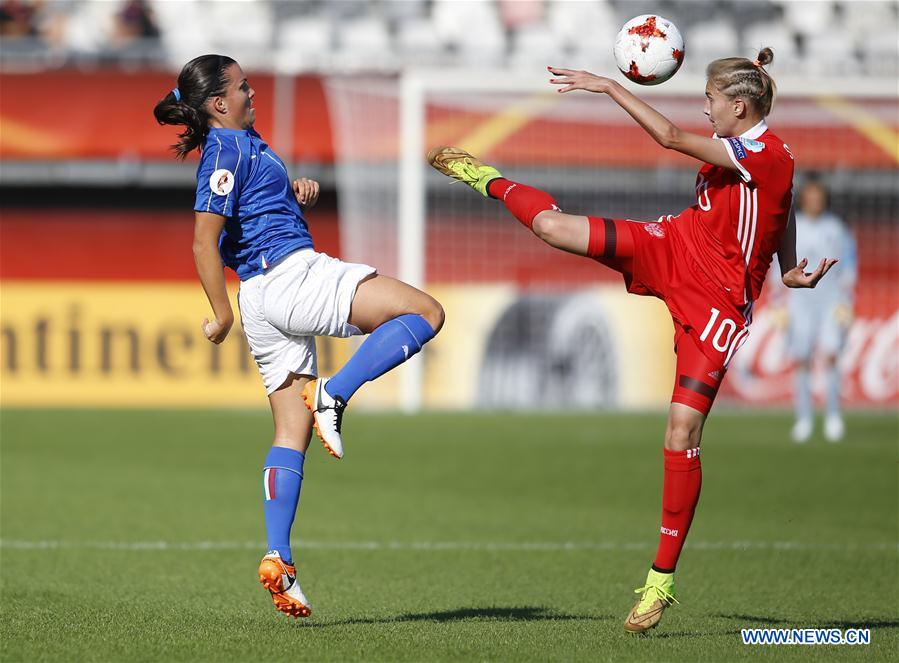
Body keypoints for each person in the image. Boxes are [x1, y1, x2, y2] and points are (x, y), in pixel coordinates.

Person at [428, 48, 836, 633]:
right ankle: (484, 177)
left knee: (681, 432)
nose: (706, 109)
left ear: (740, 108)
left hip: (719, 304)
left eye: (711, 101)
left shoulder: (768, 154)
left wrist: (607, 86)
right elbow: (781, 203)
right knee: (552, 227)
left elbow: (673, 139)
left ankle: (659, 583)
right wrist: (789, 263)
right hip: (675, 245)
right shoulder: (746, 147)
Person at [153, 55, 444, 618]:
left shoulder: (242, 142)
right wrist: (219, 315)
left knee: (291, 431)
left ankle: (279, 560)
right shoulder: (226, 151)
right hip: (289, 275)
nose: (252, 92)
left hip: (264, 298)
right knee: (424, 312)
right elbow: (203, 241)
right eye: (242, 87)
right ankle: (336, 393)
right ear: (219, 103)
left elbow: (251, 205)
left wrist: (292, 190)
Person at [787, 176, 857, 443]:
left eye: (819, 197)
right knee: (802, 358)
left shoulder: (836, 228)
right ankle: (804, 418)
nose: (815, 201)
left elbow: (849, 264)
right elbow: (779, 265)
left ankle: (833, 416)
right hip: (800, 302)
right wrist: (778, 302)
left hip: (830, 301)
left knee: (830, 356)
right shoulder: (792, 226)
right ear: (804, 199)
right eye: (811, 196)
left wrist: (846, 300)